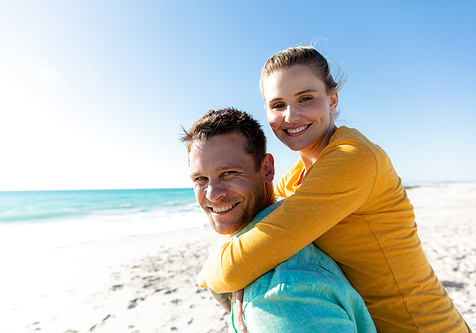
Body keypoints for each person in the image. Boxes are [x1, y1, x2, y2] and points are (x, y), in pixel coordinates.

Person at [197, 47, 472, 333]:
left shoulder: (353, 158)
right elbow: (253, 225)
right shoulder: (295, 179)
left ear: (332, 100)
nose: (291, 116)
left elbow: (236, 264)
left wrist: (211, 277)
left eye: (306, 98)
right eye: (277, 105)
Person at [182, 108, 376, 333]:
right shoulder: (286, 210)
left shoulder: (279, 299)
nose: (212, 194)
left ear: (267, 169)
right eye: (200, 179)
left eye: (229, 173)